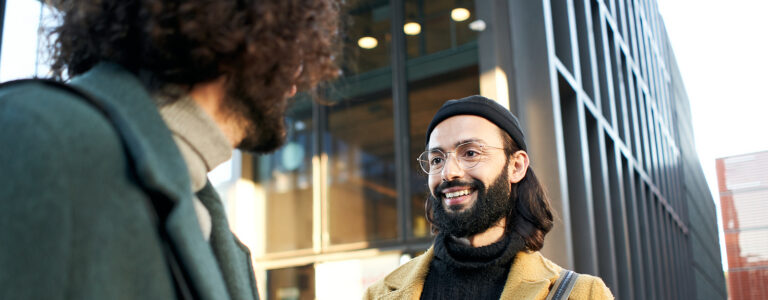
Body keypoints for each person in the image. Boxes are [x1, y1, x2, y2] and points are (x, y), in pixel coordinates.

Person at [0, 0, 339, 299]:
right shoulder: (40, 135)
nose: (298, 77)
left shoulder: (214, 229)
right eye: (289, 44)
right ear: (234, 23)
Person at [364, 95, 613, 299]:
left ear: (516, 166)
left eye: (470, 153)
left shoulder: (582, 294)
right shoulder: (378, 295)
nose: (449, 172)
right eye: (437, 159)